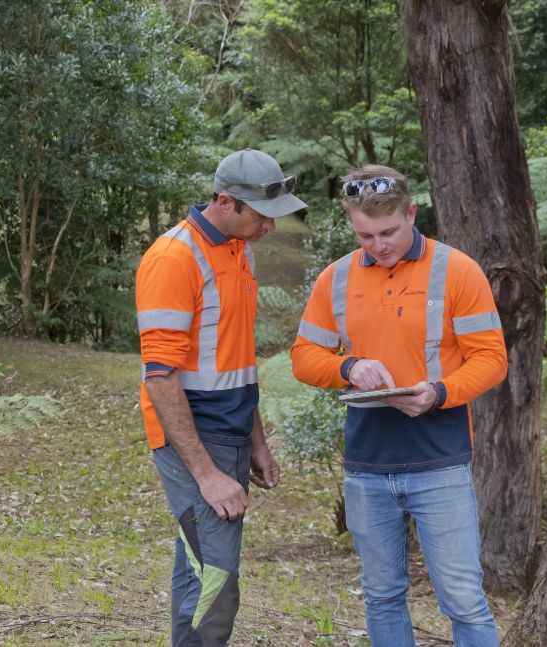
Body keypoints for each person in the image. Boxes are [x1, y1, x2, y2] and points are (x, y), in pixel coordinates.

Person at [290, 164, 507, 646]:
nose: (378, 244)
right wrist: (348, 367)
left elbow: (492, 359)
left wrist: (439, 392)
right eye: (364, 234)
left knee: (463, 598)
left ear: (411, 213)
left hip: (440, 461)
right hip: (367, 466)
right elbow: (304, 358)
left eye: (388, 231)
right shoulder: (337, 278)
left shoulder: (457, 270)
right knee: (382, 595)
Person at [136, 148, 306, 646]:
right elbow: (159, 375)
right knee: (217, 577)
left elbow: (238, 354)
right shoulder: (173, 258)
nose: (271, 228)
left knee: (200, 564)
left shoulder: (239, 250)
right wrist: (206, 475)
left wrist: (256, 441)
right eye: (262, 216)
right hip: (192, 434)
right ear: (227, 202)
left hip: (231, 429)